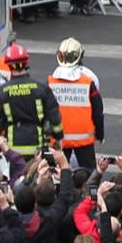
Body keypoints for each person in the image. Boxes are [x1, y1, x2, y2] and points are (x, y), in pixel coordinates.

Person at [46, 37, 105, 172]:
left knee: (56, 174)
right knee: (89, 175)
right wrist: (100, 134)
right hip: (83, 141)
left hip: (58, 140)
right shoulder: (88, 82)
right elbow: (98, 112)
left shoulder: (50, 82)